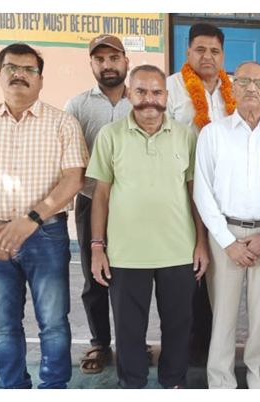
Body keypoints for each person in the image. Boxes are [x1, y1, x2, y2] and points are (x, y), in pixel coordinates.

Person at [0, 43, 89, 388]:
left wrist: (32, 218)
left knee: (54, 323)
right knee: (4, 326)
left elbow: (74, 179)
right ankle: (13, 388)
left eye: (29, 69)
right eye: (12, 67)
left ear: (41, 79)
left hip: (46, 235)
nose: (20, 74)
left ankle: (54, 388)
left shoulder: (63, 123)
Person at [87, 64, 206, 389]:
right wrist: (97, 247)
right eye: (141, 91)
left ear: (166, 96)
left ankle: (174, 384)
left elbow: (195, 193)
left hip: (178, 251)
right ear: (129, 94)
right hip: (126, 254)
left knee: (179, 326)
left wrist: (201, 243)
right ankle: (132, 386)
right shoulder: (110, 135)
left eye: (156, 92)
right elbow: (101, 195)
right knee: (128, 331)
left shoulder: (186, 136)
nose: (149, 98)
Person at [193, 61, 260, 389]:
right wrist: (227, 241)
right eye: (243, 81)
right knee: (223, 318)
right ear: (232, 88)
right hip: (224, 236)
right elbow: (202, 192)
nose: (251, 88)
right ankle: (221, 385)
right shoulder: (213, 134)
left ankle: (259, 384)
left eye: (259, 83)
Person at [64, 34, 133, 375]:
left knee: (132, 277)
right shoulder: (76, 106)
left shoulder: (141, 102)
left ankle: (132, 341)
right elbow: (68, 160)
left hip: (133, 206)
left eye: (113, 58)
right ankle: (100, 342)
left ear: (126, 62)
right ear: (91, 64)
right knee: (95, 277)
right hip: (92, 201)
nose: (107, 65)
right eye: (100, 59)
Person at [166, 22, 225, 364]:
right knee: (187, 269)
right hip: (181, 191)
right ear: (187, 51)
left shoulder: (231, 90)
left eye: (214, 50)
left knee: (216, 270)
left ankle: (210, 342)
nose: (207, 56)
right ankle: (186, 345)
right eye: (200, 49)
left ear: (222, 56)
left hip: (222, 194)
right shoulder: (171, 88)